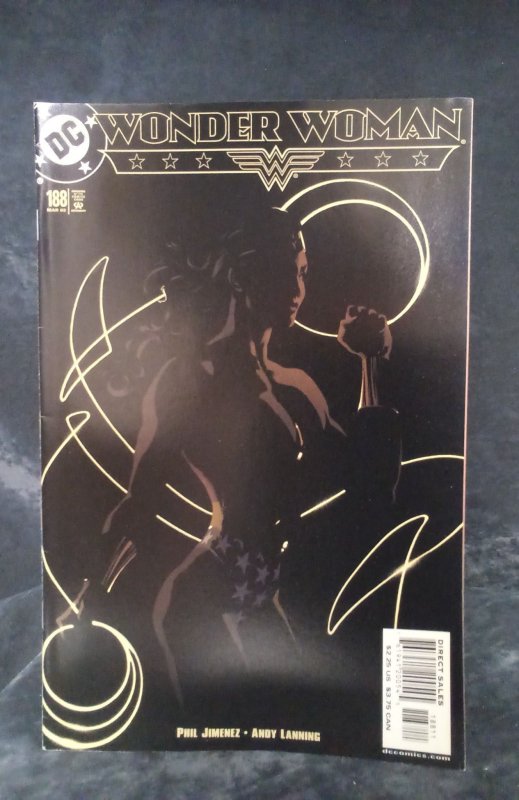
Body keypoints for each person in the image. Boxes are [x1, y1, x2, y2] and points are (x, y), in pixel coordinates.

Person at [96, 206, 401, 705]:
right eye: (287, 272)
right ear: (245, 275)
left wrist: (369, 362)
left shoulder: (294, 386)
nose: (298, 289)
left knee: (299, 711)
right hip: (205, 600)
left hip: (262, 593)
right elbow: (140, 500)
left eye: (303, 273)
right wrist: (85, 601)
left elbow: (372, 482)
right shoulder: (189, 378)